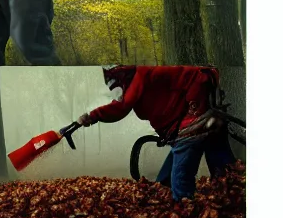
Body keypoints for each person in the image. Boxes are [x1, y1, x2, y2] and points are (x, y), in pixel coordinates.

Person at [77, 65, 237, 201]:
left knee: (181, 180)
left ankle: (185, 212)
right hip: (193, 124)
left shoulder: (141, 74)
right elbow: (120, 102)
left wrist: (92, 116)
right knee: (222, 169)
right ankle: (232, 196)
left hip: (193, 123)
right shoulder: (136, 80)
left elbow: (121, 107)